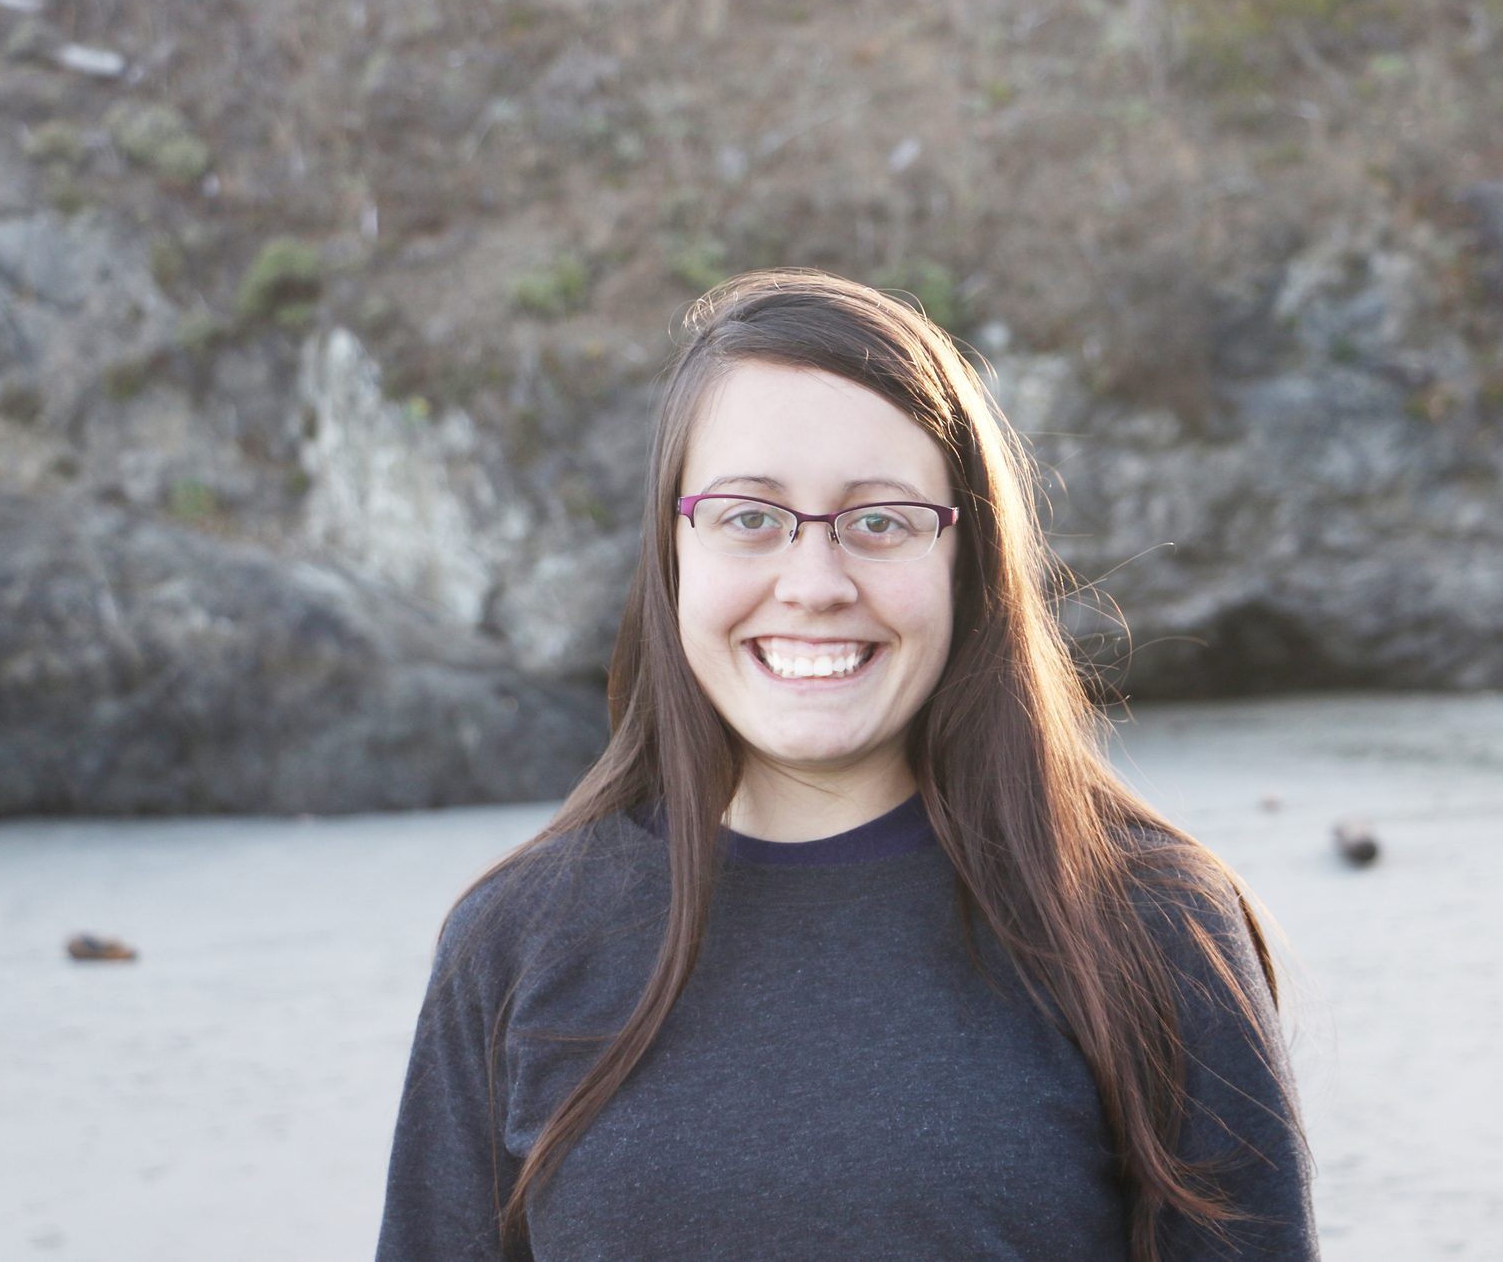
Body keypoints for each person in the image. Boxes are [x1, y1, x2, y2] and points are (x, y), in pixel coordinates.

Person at [377, 270, 1317, 1261]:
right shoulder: (512, 944)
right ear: (671, 552)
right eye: (748, 517)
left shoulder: (1149, 925)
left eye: (880, 521)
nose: (814, 583)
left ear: (966, 560)